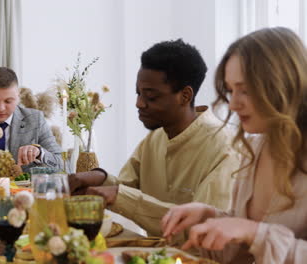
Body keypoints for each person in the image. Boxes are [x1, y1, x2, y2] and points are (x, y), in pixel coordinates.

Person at [161, 27, 307, 264]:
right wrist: (209, 216)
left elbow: (256, 234)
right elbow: (249, 244)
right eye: (230, 90)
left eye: (246, 90)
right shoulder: (256, 148)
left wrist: (252, 233)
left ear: (285, 85)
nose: (233, 105)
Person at [68, 39, 239, 238]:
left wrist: (118, 195)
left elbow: (203, 228)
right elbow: (125, 188)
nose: (139, 103)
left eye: (151, 96)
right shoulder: (155, 139)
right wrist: (98, 178)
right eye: (138, 93)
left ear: (185, 95)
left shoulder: (224, 146)